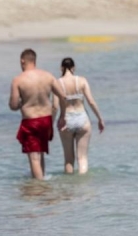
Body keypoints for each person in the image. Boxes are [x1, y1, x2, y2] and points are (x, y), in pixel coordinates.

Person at [9, 49, 67, 180]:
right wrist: (62, 116)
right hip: (46, 120)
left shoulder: (18, 80)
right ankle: (42, 182)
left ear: (22, 61)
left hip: (31, 121)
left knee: (34, 157)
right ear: (34, 61)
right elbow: (63, 96)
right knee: (40, 153)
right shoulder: (48, 76)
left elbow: (13, 105)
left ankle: (40, 189)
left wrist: (20, 104)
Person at [54, 57, 105, 175]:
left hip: (66, 120)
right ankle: (83, 188)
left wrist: (50, 125)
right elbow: (91, 102)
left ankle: (69, 188)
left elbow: (55, 107)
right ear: (74, 68)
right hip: (82, 119)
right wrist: (99, 118)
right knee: (82, 158)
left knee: (68, 160)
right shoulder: (82, 81)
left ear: (61, 68)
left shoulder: (57, 83)